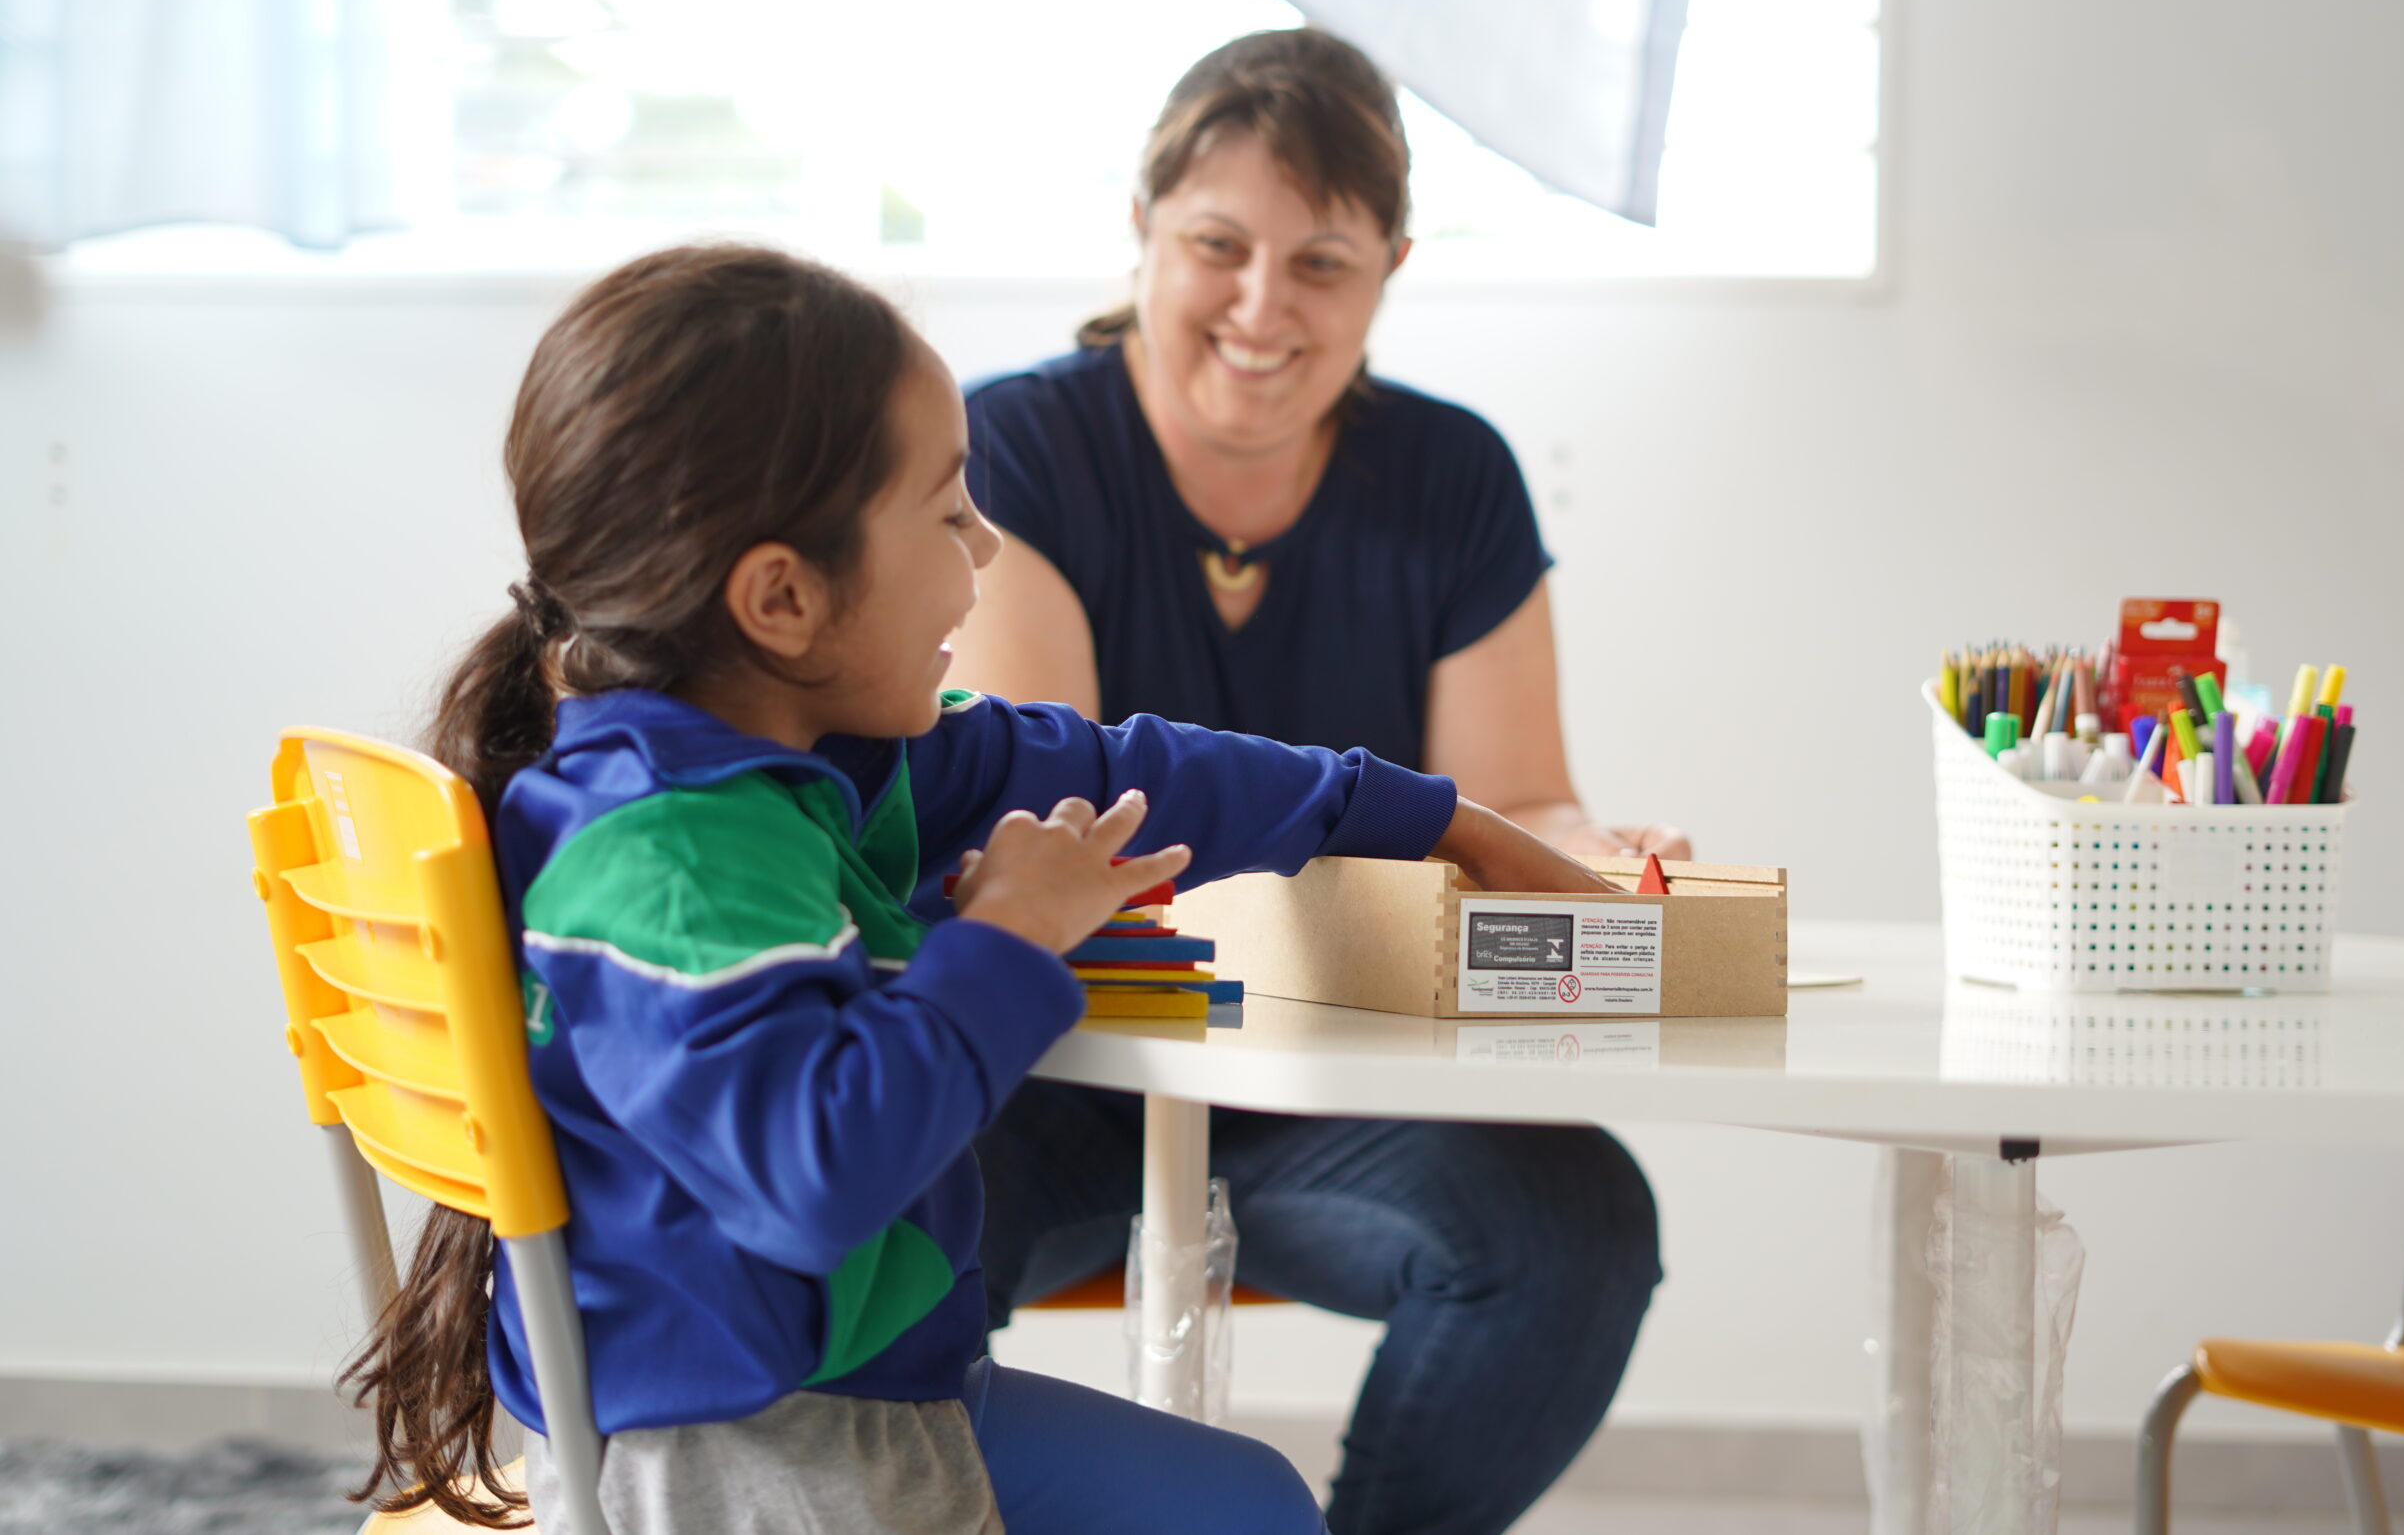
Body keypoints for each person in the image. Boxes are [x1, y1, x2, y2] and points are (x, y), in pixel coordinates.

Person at [348, 242, 1612, 1535]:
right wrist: (1013, 931)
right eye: (950, 514)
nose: (988, 544)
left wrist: (1438, 817)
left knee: (1247, 1505)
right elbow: (817, 1174)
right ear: (784, 596)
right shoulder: (675, 860)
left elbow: (1126, 768)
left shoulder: (823, 752)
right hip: (756, 1452)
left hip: (863, 1384)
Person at [954, 29, 1682, 1535]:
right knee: (868, 1241)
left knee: (1580, 1232)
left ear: (1393, 267)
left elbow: (1516, 804)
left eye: (1324, 264)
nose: (1261, 306)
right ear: (1143, 228)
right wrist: (1424, 849)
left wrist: (1585, 853)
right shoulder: (1011, 447)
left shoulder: (1455, 476)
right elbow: (1057, 840)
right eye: (1218, 245)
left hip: (1326, 1086)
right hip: (1055, 1067)